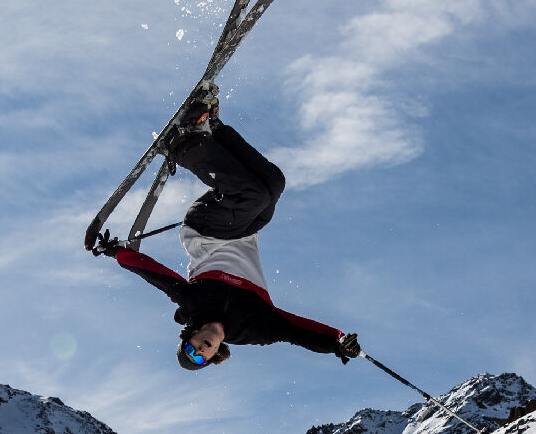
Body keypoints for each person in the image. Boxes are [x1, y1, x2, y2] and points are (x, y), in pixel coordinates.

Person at [100, 88, 361, 371]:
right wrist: (336, 341)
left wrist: (119, 254)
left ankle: (182, 145)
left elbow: (158, 276)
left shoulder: (194, 305)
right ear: (215, 355)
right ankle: (213, 129)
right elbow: (297, 331)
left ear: (190, 335)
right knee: (273, 184)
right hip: (244, 232)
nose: (199, 349)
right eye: (200, 356)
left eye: (191, 348)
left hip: (205, 230)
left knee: (253, 196)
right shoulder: (256, 329)